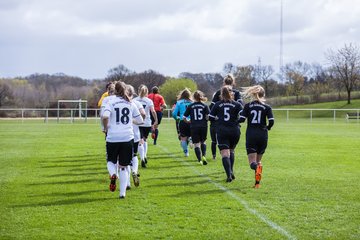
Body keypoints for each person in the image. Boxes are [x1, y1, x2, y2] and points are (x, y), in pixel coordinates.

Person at [102, 81, 143, 199]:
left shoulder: (110, 101)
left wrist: (106, 128)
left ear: (115, 90)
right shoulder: (131, 103)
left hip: (113, 137)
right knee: (124, 166)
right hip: (127, 137)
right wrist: (131, 121)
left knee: (111, 161)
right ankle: (122, 193)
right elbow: (140, 120)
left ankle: (113, 174)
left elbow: (105, 116)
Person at [238, 85, 274, 188]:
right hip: (263, 135)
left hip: (251, 134)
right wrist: (268, 127)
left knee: (253, 163)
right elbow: (271, 121)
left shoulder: (248, 106)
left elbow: (242, 119)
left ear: (253, 94)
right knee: (259, 161)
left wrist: (234, 121)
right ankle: (257, 184)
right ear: (263, 95)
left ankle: (256, 169)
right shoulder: (267, 107)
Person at [209, 86, 243, 182]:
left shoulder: (217, 104)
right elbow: (243, 115)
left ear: (221, 94)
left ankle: (228, 175)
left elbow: (211, 117)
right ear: (232, 94)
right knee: (231, 151)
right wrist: (236, 120)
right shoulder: (237, 104)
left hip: (222, 131)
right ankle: (231, 171)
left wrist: (218, 119)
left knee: (224, 153)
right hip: (235, 131)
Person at [209, 74, 244, 160]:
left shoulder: (218, 92)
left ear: (224, 82)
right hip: (234, 124)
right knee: (231, 149)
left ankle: (225, 161)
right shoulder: (236, 93)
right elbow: (241, 106)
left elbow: (211, 107)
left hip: (220, 123)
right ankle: (230, 167)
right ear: (233, 82)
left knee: (221, 145)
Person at [126, 84, 146, 188]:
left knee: (124, 160)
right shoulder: (136, 103)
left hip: (124, 135)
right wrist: (136, 121)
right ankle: (135, 171)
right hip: (135, 134)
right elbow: (143, 115)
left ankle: (127, 183)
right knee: (134, 156)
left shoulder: (120, 103)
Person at [134, 85, 158, 168]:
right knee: (145, 139)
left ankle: (142, 157)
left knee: (140, 140)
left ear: (138, 91)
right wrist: (156, 120)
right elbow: (153, 111)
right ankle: (144, 156)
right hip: (147, 122)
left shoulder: (134, 100)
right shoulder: (149, 101)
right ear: (147, 92)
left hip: (138, 122)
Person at [183, 90, 210, 165]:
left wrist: (188, 121)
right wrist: (205, 120)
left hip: (194, 126)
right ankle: (204, 156)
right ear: (201, 97)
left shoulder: (190, 106)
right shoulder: (205, 106)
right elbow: (208, 116)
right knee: (203, 142)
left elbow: (184, 117)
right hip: (203, 126)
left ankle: (199, 160)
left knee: (196, 144)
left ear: (193, 97)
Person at [172, 88, 193, 157]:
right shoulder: (192, 102)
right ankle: (191, 139)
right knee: (191, 134)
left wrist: (177, 118)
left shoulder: (179, 102)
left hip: (182, 121)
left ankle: (186, 153)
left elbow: (174, 114)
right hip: (191, 121)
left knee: (183, 138)